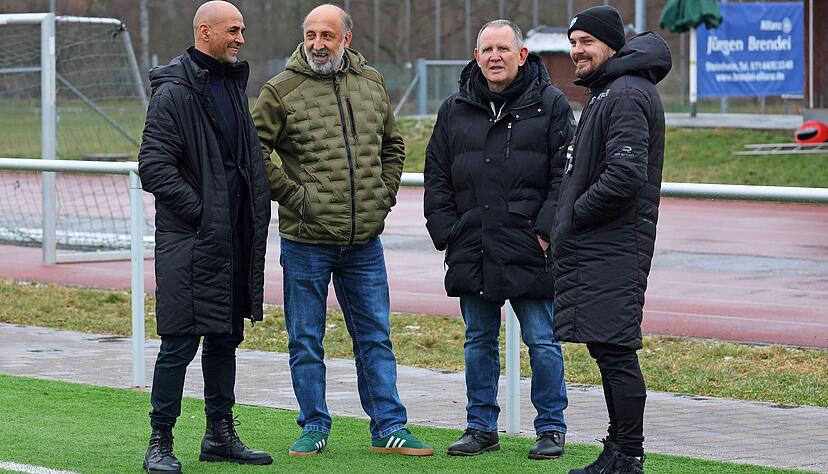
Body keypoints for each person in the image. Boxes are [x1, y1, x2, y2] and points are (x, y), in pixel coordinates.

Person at [252, 3, 432, 458]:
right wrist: (298, 198)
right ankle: (314, 425)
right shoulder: (281, 89)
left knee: (375, 337)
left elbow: (393, 145)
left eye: (327, 36)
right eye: (310, 34)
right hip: (305, 241)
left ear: (345, 39)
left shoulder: (371, 82)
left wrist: (383, 195)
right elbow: (253, 151)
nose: (317, 44)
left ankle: (389, 427)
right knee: (306, 339)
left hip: (364, 242)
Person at [423, 19, 574, 459]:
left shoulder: (550, 104)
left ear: (522, 55)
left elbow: (564, 177)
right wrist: (447, 231)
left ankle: (551, 428)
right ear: (476, 56)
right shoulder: (454, 108)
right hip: (473, 244)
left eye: (503, 49)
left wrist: (545, 232)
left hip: (530, 247)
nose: (494, 57)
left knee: (544, 341)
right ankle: (480, 426)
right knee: (478, 341)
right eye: (486, 49)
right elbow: (436, 175)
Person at [137, 1, 273, 472]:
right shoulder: (173, 93)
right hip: (191, 241)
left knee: (224, 338)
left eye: (242, 30)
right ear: (204, 31)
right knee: (179, 342)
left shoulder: (232, 85)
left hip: (233, 240)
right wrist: (203, 214)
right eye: (233, 30)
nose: (240, 38)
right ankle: (160, 441)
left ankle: (219, 435)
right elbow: (154, 168)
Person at [553, 6, 672, 474]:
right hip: (603, 245)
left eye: (586, 42)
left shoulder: (624, 92)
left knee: (616, 352)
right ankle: (618, 449)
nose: (576, 51)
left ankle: (629, 456)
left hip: (612, 244)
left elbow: (624, 176)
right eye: (573, 42)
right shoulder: (611, 90)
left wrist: (576, 216)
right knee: (608, 349)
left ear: (612, 45)